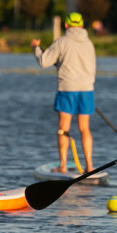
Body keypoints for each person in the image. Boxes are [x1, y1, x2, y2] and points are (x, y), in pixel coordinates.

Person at [31, 12, 96, 173]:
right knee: (84, 128)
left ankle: (63, 165)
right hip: (86, 90)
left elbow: (43, 62)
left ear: (66, 25)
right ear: (81, 26)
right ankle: (89, 166)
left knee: (63, 128)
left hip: (67, 89)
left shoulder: (62, 42)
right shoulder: (89, 44)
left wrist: (36, 48)